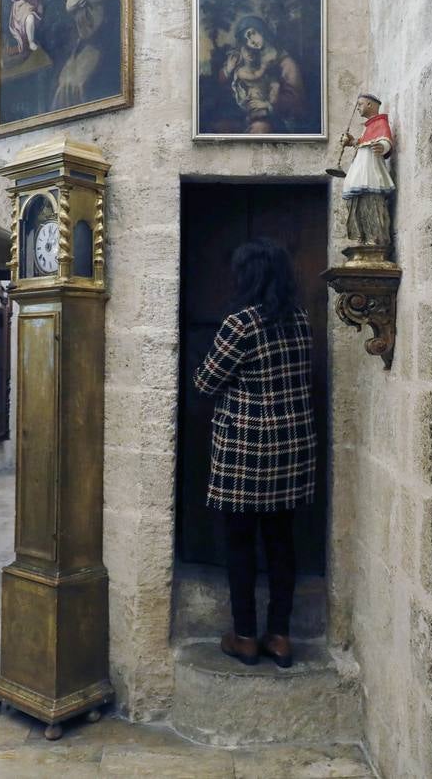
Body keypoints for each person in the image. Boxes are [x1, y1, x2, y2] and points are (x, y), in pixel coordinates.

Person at [194, 239, 317, 669]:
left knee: (240, 545)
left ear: (249, 276)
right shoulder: (300, 320)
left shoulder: (240, 324)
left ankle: (245, 636)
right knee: (283, 543)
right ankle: (279, 636)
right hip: (292, 452)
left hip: (246, 453)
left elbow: (206, 382)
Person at [218, 15, 306, 134]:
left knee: (260, 129)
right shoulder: (250, 57)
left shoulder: (286, 63)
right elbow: (224, 80)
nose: (252, 41)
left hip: (278, 120)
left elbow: (295, 100)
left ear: (262, 30)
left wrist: (268, 105)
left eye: (253, 33)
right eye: (247, 39)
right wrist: (228, 70)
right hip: (247, 114)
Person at [340, 93, 395, 249]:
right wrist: (351, 141)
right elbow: (363, 142)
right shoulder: (369, 127)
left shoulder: (381, 123)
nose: (357, 108)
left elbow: (386, 140)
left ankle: (375, 238)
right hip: (361, 169)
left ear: (370, 105)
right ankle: (363, 236)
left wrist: (383, 146)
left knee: (371, 203)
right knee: (357, 203)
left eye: (360, 104)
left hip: (370, 171)